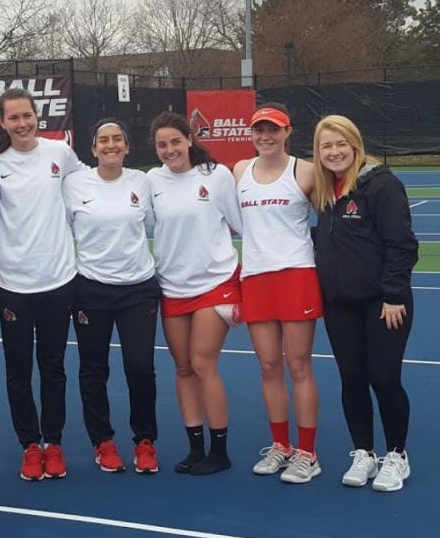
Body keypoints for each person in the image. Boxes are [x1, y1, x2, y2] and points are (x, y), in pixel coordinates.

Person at [0, 88, 88, 481]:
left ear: (37, 116)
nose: (23, 123)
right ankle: (30, 445)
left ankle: (54, 444)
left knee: (53, 367)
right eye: (14, 118)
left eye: (27, 115)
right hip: (12, 283)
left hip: (59, 280)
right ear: (3, 122)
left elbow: (83, 194)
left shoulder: (60, 154)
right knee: (17, 371)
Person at [311, 114, 418, 492]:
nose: (334, 152)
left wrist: (392, 294)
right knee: (351, 378)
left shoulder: (382, 186)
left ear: (355, 145)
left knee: (384, 378)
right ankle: (364, 452)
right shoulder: (327, 192)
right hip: (340, 305)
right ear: (318, 152)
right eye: (327, 146)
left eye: (341, 144)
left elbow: (402, 245)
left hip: (383, 303)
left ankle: (397, 456)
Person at [62, 118, 161, 474]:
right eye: (103, 140)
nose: (111, 145)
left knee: (139, 367)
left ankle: (145, 441)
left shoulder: (143, 181)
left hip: (139, 289)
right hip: (91, 289)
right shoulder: (74, 184)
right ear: (92, 149)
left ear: (127, 146)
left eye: (118, 139)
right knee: (93, 370)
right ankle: (102, 441)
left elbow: (158, 224)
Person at [147, 112, 243, 476]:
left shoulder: (216, 176)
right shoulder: (151, 180)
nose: (169, 150)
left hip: (214, 284)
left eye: (175, 141)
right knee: (183, 367)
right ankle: (195, 447)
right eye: (162, 145)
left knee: (203, 364)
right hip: (172, 287)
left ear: (189, 139)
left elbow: (239, 225)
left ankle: (220, 451)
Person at [232, 105, 323, 484]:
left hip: (296, 275)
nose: (265, 136)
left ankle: (307, 453)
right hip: (255, 278)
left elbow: (331, 222)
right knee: (269, 366)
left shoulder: (304, 171)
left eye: (273, 129)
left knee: (298, 365)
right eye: (258, 130)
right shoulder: (239, 171)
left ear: (288, 132)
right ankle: (280, 445)